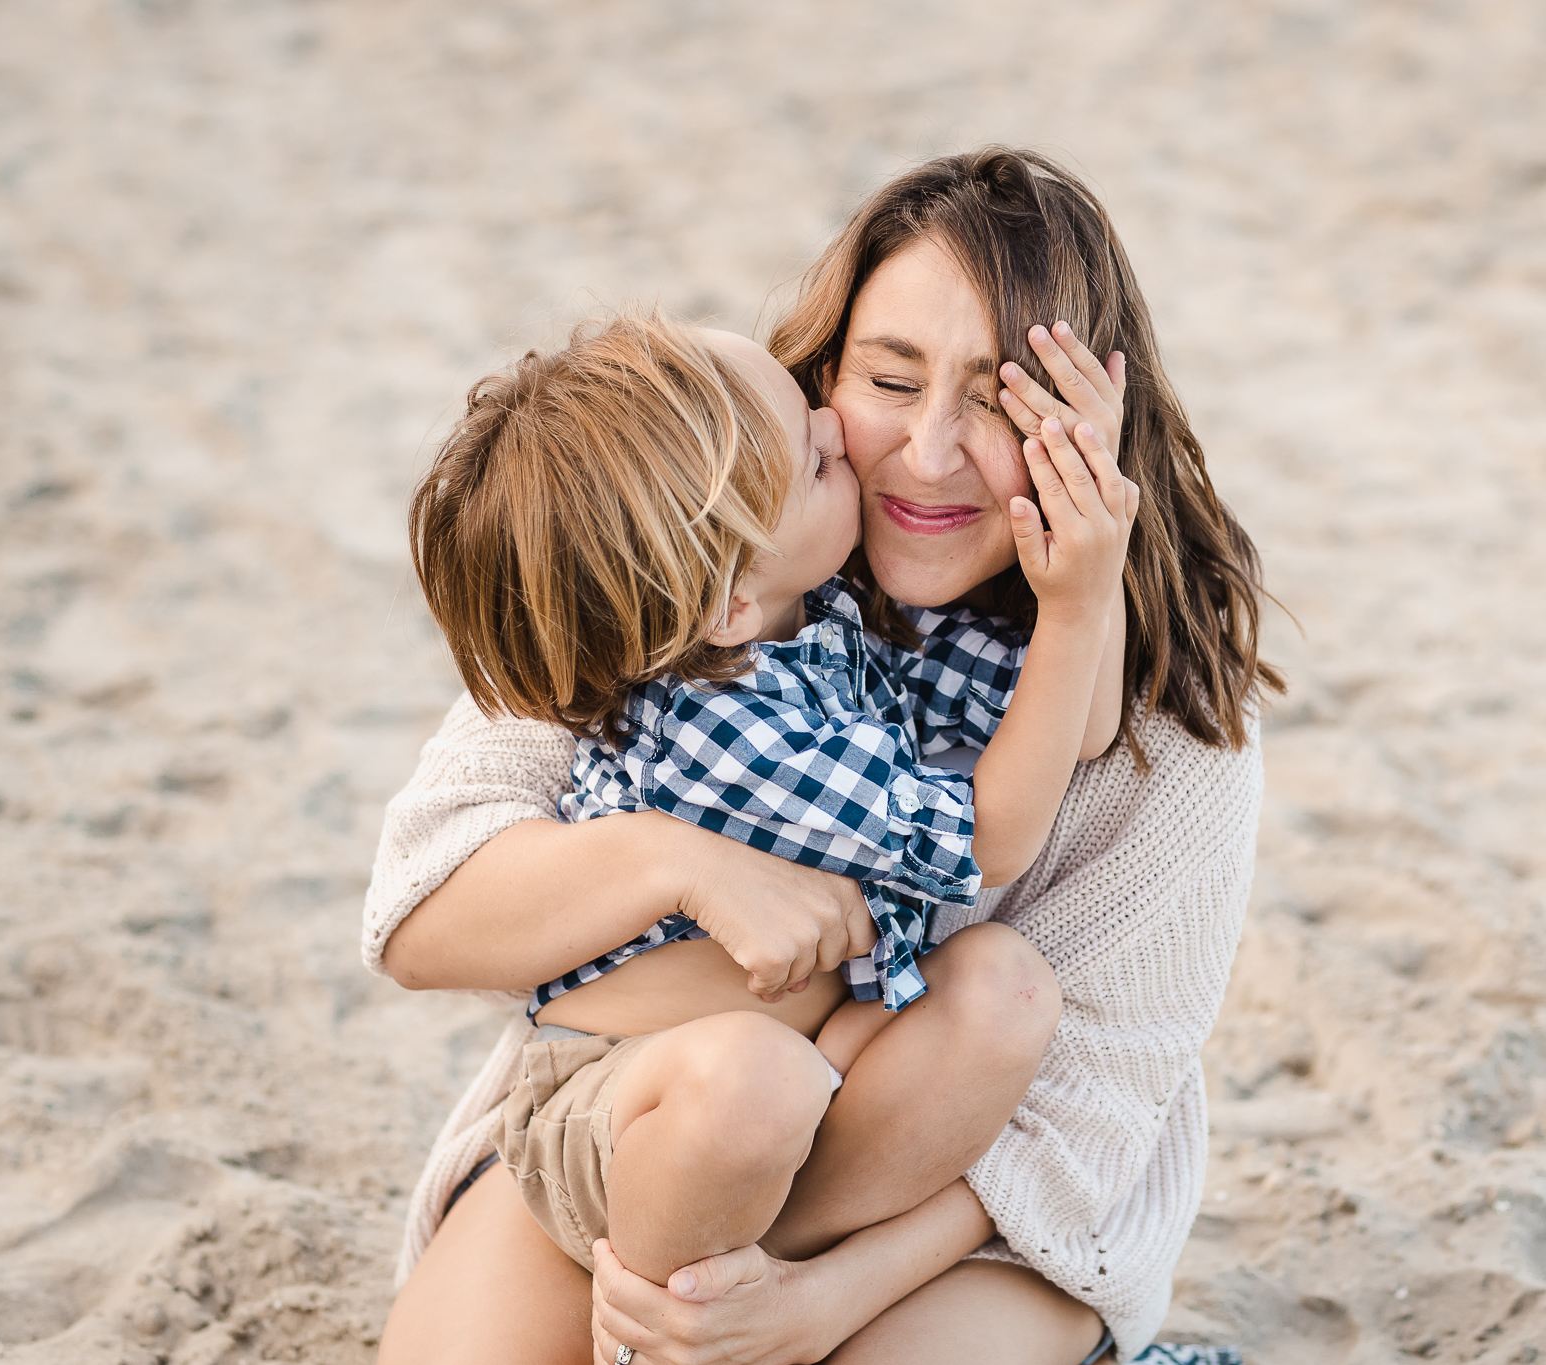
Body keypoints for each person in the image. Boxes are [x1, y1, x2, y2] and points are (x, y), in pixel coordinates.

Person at [366, 146, 1278, 1365]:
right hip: (657, 1138)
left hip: (960, 1210)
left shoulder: (1167, 710)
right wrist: (668, 859)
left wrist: (816, 1303)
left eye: (1001, 403)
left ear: (1087, 432)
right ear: (826, 374)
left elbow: (1095, 1097)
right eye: (888, 380)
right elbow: (422, 916)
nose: (931, 452)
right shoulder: (692, 549)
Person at [400, 309, 1136, 1288]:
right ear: (729, 602)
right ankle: (665, 1323)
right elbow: (983, 839)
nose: (835, 429)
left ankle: (768, 1275)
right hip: (624, 1111)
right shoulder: (718, 722)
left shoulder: (815, 623)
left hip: (810, 1088)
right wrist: (1078, 606)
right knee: (755, 1080)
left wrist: (1084, 544)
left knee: (1000, 992)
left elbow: (1070, 719)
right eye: (815, 460)